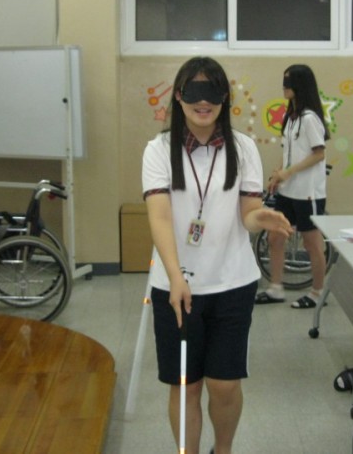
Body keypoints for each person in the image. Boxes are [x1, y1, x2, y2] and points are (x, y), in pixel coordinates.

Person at [142, 56, 292, 454]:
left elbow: (248, 212)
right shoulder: (158, 150)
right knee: (185, 385)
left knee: (224, 385)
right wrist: (176, 277)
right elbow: (159, 216)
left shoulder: (243, 148)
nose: (203, 101)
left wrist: (261, 217)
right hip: (175, 288)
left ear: (225, 98)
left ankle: (222, 450)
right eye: (193, 91)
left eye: (212, 91)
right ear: (178, 97)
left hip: (232, 283)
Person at [254, 64, 330, 309]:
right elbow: (288, 152)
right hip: (287, 191)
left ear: (300, 85)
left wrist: (289, 172)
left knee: (311, 243)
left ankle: (317, 293)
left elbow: (319, 154)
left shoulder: (309, 119)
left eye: (288, 82)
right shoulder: (291, 118)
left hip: (308, 194)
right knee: (275, 237)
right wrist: (278, 175)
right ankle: (276, 288)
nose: (284, 87)